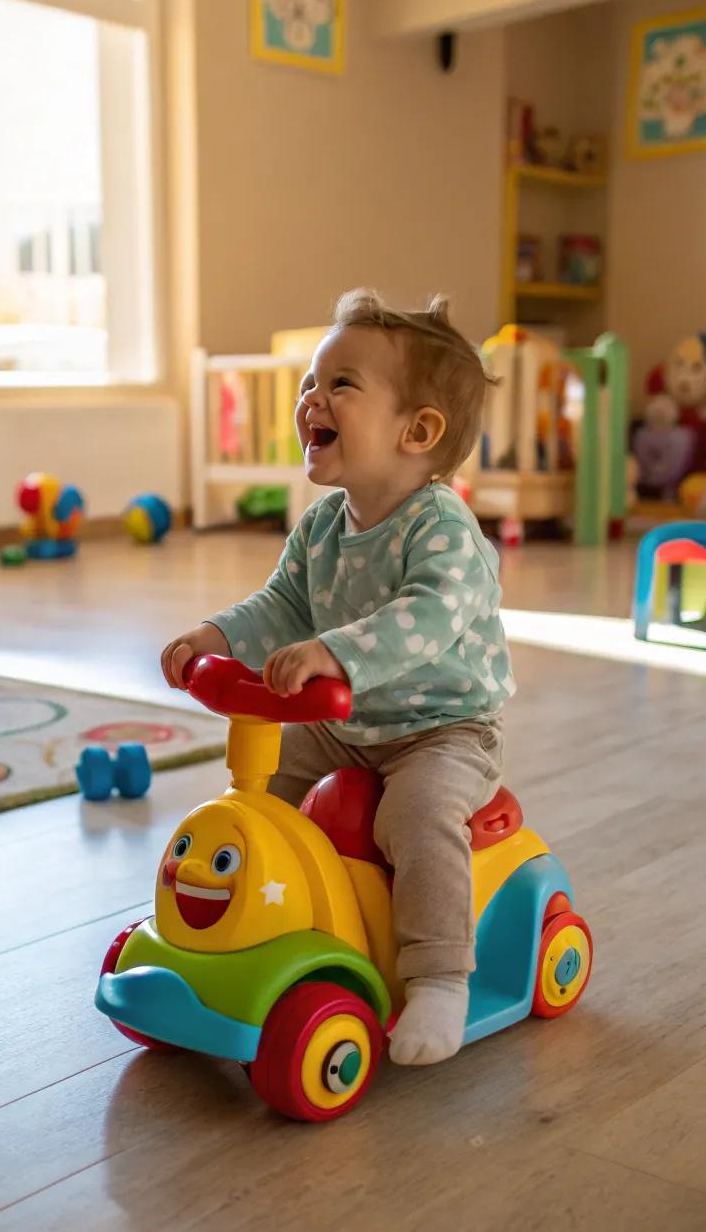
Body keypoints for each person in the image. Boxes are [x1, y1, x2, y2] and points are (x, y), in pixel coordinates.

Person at [162, 289, 514, 1066]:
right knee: (263, 786)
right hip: (347, 725)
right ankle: (250, 920)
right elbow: (282, 604)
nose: (311, 398)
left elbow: (430, 613)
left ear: (417, 430)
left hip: (442, 729)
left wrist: (338, 652)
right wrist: (214, 636)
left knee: (417, 815)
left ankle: (439, 977)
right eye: (308, 386)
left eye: (341, 385)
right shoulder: (322, 525)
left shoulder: (442, 527)